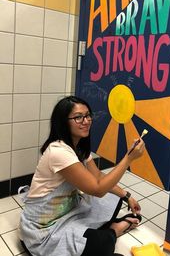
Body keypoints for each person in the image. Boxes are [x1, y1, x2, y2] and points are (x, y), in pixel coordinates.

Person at [19, 95, 145, 256]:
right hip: (43, 229)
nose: (86, 121)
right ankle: (115, 229)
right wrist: (129, 159)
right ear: (63, 122)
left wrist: (127, 196)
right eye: (78, 117)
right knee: (103, 245)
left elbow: (98, 177)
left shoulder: (78, 146)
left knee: (113, 198)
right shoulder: (58, 151)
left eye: (87, 115)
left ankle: (100, 231)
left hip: (67, 210)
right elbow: (97, 189)